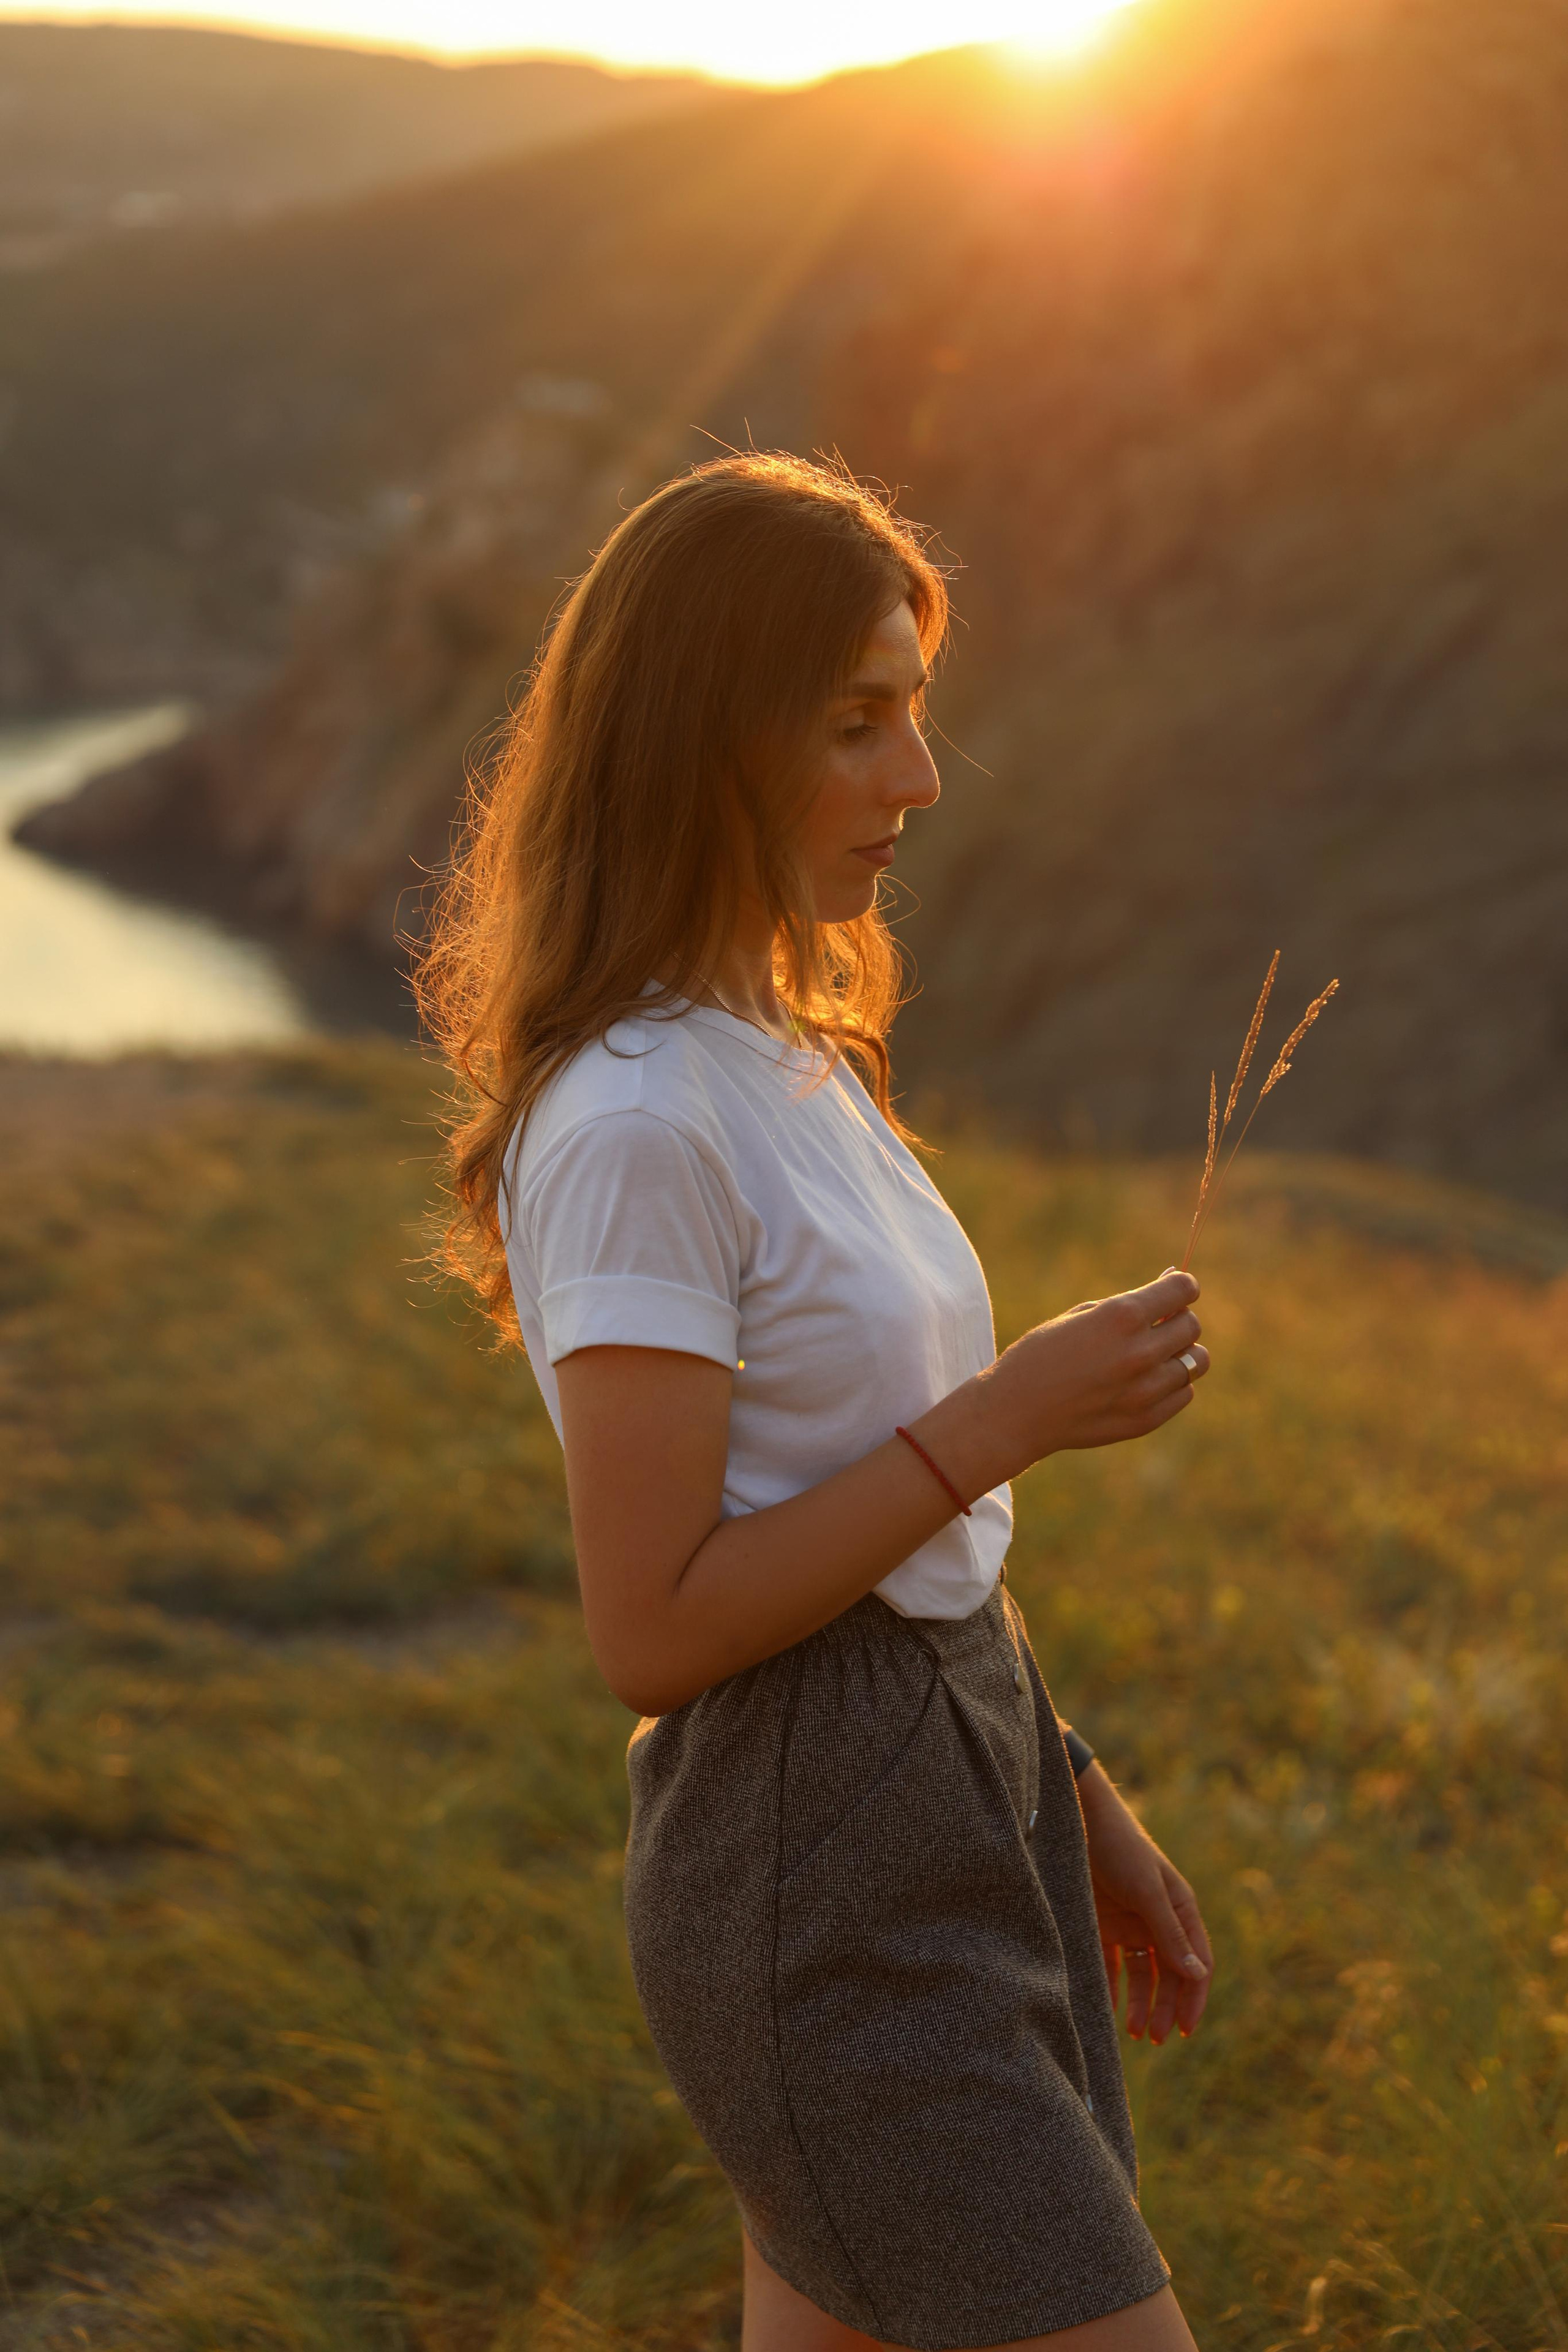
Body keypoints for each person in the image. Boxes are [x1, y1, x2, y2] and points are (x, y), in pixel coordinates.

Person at [418, 453, 1215, 2352]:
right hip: (813, 1872)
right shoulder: (631, 1119)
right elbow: (656, 1623)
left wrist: (1074, 1788)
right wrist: (1012, 1415)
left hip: (962, 1794)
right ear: (710, 734)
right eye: (859, 723)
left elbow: (887, 1520)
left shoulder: (790, 1054)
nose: (918, 780)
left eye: (916, 717)